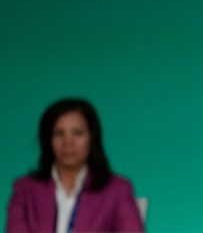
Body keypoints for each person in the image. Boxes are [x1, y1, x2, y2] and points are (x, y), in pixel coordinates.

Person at [5, 98, 145, 233]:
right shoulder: (24, 190)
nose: (68, 142)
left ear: (92, 137)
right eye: (59, 133)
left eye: (77, 133)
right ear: (48, 139)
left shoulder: (117, 190)